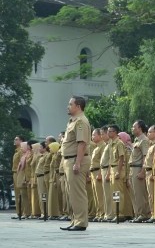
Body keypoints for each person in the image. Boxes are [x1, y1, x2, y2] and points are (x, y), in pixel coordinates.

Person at [59, 96, 92, 231]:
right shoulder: (72, 121)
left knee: (78, 193)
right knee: (71, 193)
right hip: (69, 159)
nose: (68, 106)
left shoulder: (81, 122)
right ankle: (75, 220)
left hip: (76, 159)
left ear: (78, 106)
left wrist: (77, 163)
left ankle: (81, 222)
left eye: (70, 104)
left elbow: (82, 143)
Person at [128, 120, 150, 223]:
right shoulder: (136, 140)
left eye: (134, 127)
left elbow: (145, 156)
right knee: (134, 194)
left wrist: (142, 171)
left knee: (140, 193)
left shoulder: (144, 140)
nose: (132, 129)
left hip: (138, 168)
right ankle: (137, 214)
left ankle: (143, 214)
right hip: (132, 168)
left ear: (140, 128)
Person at [89, 129, 105, 222]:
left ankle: (102, 213)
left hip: (98, 171)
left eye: (94, 135)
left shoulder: (103, 146)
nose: (92, 137)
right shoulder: (96, 147)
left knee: (100, 195)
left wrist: (99, 173)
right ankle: (98, 213)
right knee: (95, 195)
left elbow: (102, 162)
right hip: (93, 172)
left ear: (100, 136)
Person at [143, 125, 155, 223]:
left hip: (151, 172)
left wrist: (153, 173)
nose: (148, 134)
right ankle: (153, 213)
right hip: (147, 171)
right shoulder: (151, 144)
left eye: (150, 132)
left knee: (154, 195)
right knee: (150, 195)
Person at [99, 126, 113, 222]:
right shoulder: (107, 144)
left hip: (108, 170)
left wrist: (108, 173)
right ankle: (106, 214)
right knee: (105, 194)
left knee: (109, 194)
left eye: (103, 133)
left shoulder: (111, 144)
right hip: (103, 169)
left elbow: (111, 160)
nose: (102, 136)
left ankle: (110, 214)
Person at [11, 135, 25, 219]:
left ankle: (22, 212)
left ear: (21, 141)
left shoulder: (21, 151)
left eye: (16, 139)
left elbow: (22, 164)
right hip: (15, 173)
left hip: (19, 172)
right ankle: (18, 212)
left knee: (20, 193)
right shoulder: (16, 151)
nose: (15, 140)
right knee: (16, 194)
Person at [47, 141, 62, 219]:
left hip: (58, 175)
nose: (49, 149)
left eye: (51, 148)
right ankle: (52, 213)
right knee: (52, 196)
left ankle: (57, 213)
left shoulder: (58, 155)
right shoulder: (54, 155)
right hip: (53, 176)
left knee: (56, 195)